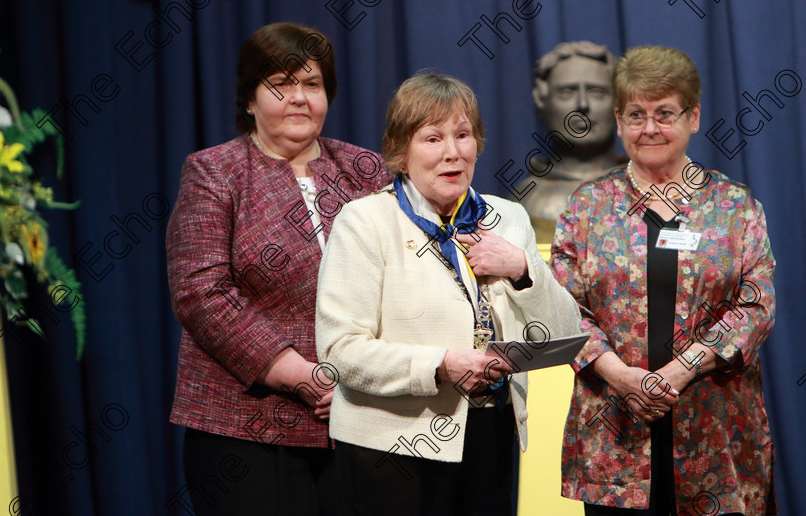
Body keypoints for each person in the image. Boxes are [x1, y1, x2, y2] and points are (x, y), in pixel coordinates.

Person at [315, 72, 582, 516]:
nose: (453, 152)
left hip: (490, 434)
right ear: (401, 152)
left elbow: (565, 330)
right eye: (433, 138)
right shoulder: (364, 221)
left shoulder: (508, 217)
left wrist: (521, 269)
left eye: (463, 135)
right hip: (391, 446)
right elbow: (341, 352)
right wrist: (441, 364)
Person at [166, 22, 392, 516]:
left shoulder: (367, 170)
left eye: (311, 84)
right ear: (249, 99)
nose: (298, 98)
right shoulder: (214, 172)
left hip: (362, 419)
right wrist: (305, 376)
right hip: (246, 425)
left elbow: (404, 280)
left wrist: (360, 383)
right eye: (280, 85)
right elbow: (200, 293)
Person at [551, 45, 776, 515]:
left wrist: (682, 369)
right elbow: (562, 310)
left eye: (664, 113)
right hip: (615, 441)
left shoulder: (736, 207)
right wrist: (620, 375)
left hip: (716, 441)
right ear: (618, 120)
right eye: (636, 114)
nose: (649, 128)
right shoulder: (587, 207)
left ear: (693, 117)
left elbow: (756, 307)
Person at [513, 41, 626, 243]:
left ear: (618, 103)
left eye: (596, 92)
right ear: (541, 101)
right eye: (567, 93)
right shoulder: (521, 201)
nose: (582, 105)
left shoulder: (647, 192)